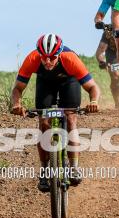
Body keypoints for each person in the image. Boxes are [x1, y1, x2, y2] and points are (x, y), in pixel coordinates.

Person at [11, 34, 100, 192]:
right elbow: (18, 88)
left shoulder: (70, 59)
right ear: (39, 53)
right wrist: (17, 104)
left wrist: (93, 102)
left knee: (71, 119)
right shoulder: (32, 58)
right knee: (44, 123)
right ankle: (45, 171)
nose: (47, 61)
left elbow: (93, 87)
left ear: (59, 54)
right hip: (45, 83)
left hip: (69, 81)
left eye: (52, 57)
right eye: (44, 57)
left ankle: (74, 168)